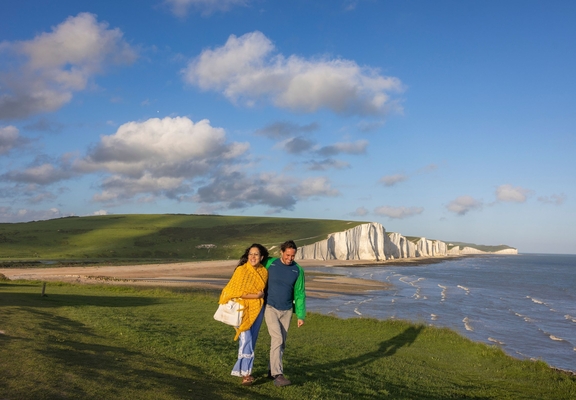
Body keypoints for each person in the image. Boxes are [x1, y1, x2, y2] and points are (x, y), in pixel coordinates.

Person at [218, 243, 269, 386]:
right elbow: (232, 291)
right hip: (242, 310)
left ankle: (241, 369)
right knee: (246, 339)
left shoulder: (264, 272)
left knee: (251, 340)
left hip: (258, 310)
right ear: (247, 255)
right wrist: (255, 296)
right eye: (251, 254)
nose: (253, 257)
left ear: (261, 257)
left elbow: (261, 291)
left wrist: (258, 297)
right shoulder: (241, 270)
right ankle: (247, 373)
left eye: (256, 254)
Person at [264, 240, 306, 387]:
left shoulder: (298, 270)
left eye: (293, 256)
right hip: (270, 307)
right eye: (287, 255)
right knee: (277, 338)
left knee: (281, 343)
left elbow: (300, 294)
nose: (290, 258)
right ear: (281, 252)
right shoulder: (270, 263)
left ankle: (271, 370)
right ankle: (278, 375)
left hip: (287, 310)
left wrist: (300, 315)